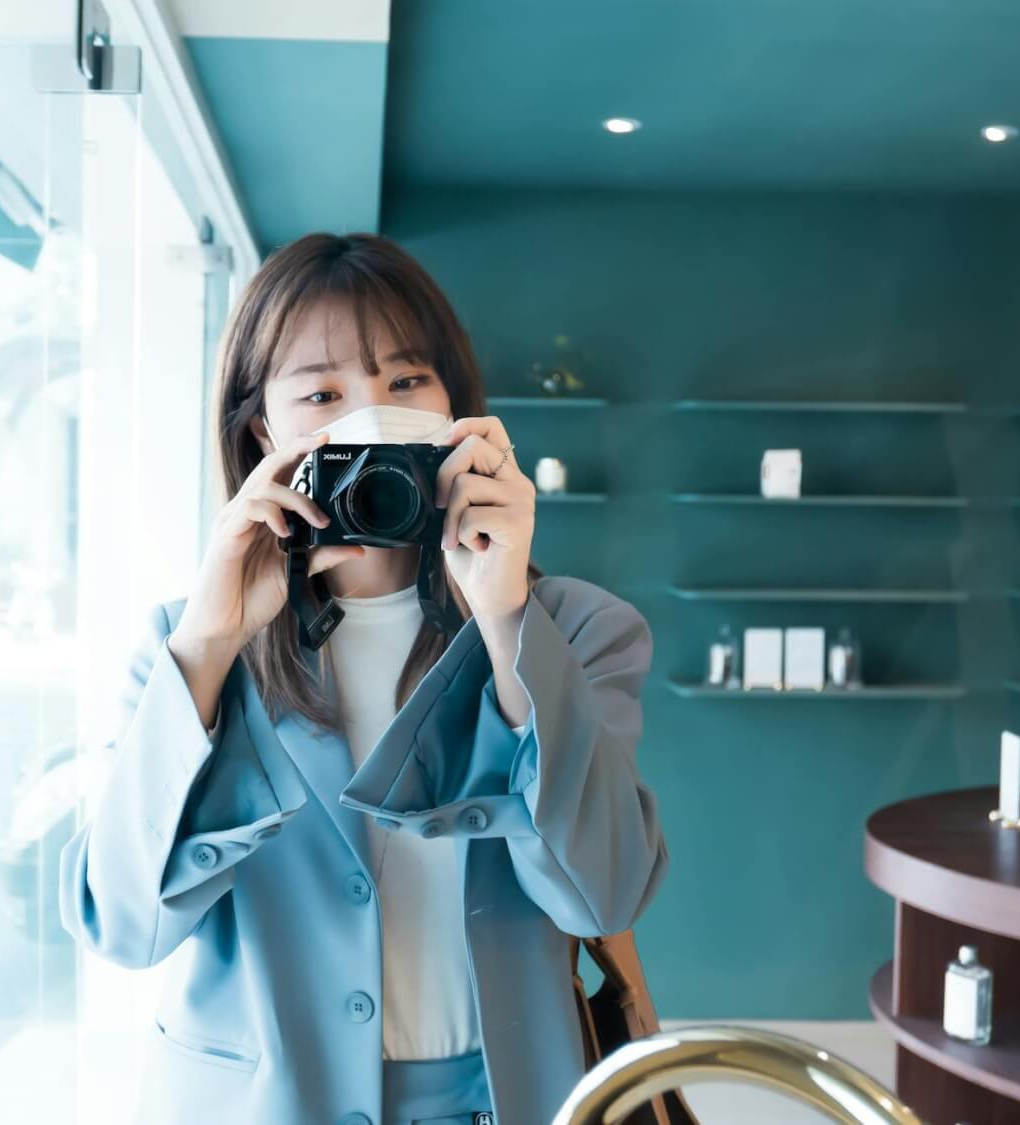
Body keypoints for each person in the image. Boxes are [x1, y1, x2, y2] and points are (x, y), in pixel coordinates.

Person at [59, 232, 669, 1125]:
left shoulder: (576, 629)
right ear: (263, 429)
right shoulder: (188, 646)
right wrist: (210, 642)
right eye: (322, 393)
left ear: (457, 405)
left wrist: (506, 621)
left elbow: (601, 894)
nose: (373, 415)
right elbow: (121, 924)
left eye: (406, 381)